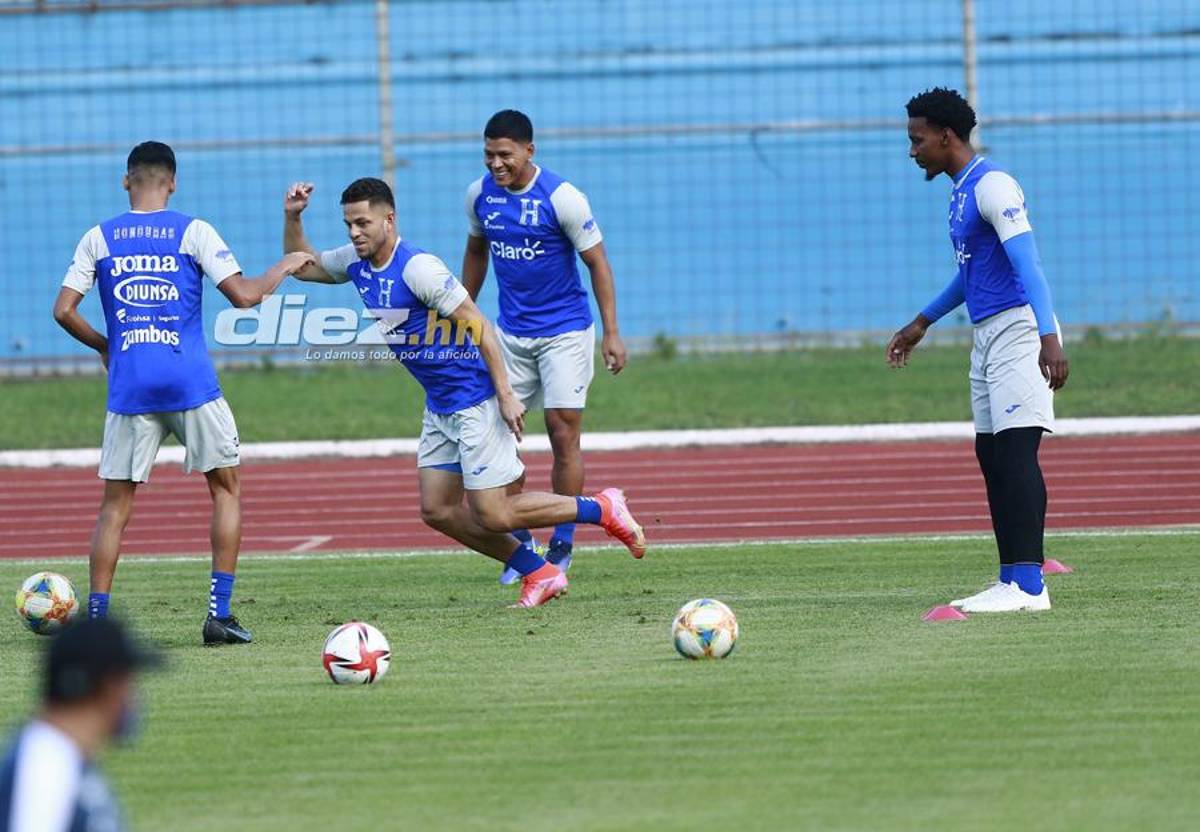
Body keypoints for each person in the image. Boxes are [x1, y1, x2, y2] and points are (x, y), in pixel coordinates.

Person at [282, 177, 645, 607]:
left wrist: (506, 394)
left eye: (363, 223)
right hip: (440, 405)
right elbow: (301, 266)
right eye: (349, 225)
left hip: (474, 398)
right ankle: (541, 572)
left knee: (493, 513)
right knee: (438, 509)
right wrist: (293, 216)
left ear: (389, 219)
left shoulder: (419, 268)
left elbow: (480, 327)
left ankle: (601, 507)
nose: (355, 232)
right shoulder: (356, 262)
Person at [52, 141, 314, 644]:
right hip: (190, 384)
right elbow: (243, 297)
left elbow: (63, 310)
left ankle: (98, 625)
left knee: (115, 508)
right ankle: (218, 615)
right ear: (173, 182)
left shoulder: (98, 238)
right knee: (226, 489)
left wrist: (107, 346)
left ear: (126, 181)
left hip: (130, 386)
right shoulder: (193, 230)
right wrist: (283, 265)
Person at [886, 88, 1069, 613]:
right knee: (991, 455)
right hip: (987, 334)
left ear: (946, 136)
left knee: (1015, 454)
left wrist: (1047, 337)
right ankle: (1010, 578)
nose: (912, 150)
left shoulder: (993, 186)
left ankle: (1030, 586)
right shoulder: (960, 191)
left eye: (917, 140)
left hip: (1019, 330)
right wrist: (921, 322)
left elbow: (1027, 262)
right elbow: (972, 274)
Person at [460, 110, 627, 582]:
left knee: (561, 430)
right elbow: (476, 253)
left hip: (565, 332)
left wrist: (611, 332)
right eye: (489, 154)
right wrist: (462, 310)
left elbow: (597, 263)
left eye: (505, 155)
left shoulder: (563, 198)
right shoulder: (479, 197)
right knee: (498, 435)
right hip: (510, 334)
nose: (496, 164)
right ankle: (521, 543)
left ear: (529, 151)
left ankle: (563, 541)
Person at [0, 617, 161, 832]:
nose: (134, 697)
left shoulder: (66, 761)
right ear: (109, 686)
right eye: (128, 682)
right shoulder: (45, 769)